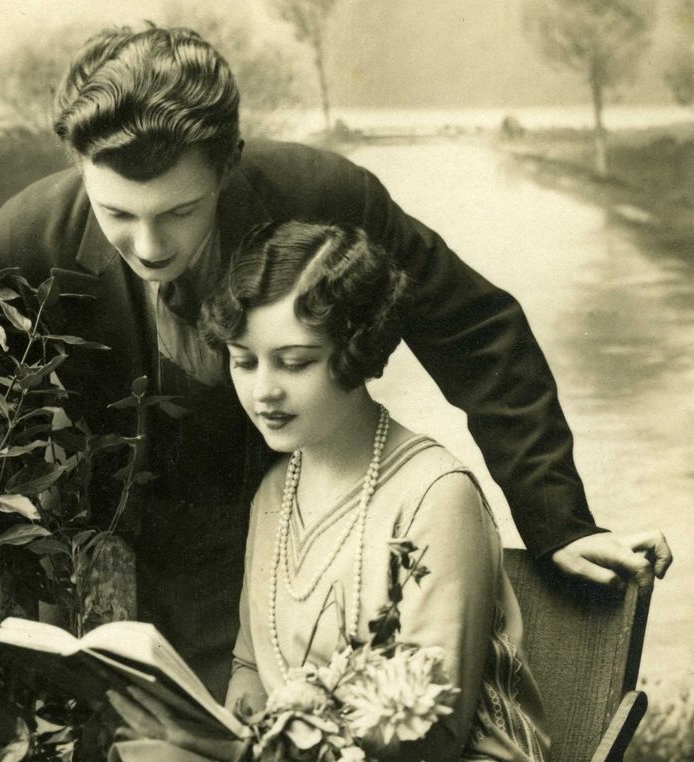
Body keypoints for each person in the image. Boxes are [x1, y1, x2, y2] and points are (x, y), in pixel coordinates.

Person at [0, 25, 671, 699]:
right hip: (126, 549)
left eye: (181, 212)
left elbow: (477, 333)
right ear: (79, 168)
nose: (151, 246)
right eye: (118, 215)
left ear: (227, 163)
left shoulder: (325, 199)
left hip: (305, 531)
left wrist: (558, 522)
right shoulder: (23, 244)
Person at [108, 221, 552, 761]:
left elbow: (431, 737)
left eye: (295, 363)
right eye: (243, 361)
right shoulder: (275, 490)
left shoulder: (436, 494)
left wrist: (241, 750)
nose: (263, 391)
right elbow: (252, 667)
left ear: (358, 353)